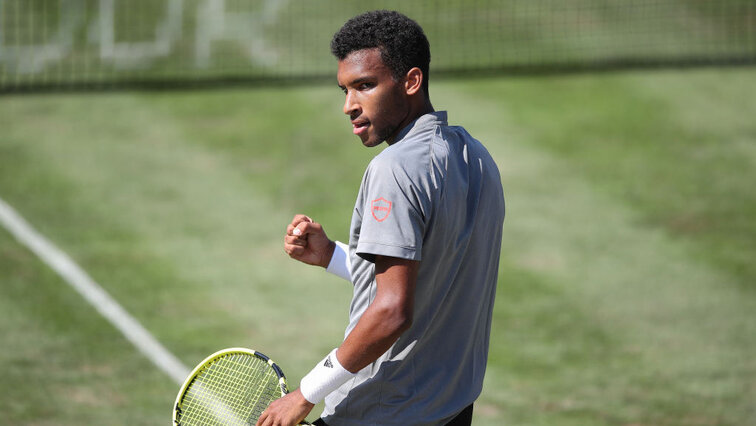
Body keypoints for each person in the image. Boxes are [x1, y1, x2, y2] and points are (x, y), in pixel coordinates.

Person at [257, 10, 505, 426]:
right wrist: (333, 256)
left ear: (410, 81)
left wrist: (306, 393)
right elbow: (432, 276)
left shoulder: (395, 168)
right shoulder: (477, 157)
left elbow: (392, 310)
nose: (349, 106)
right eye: (345, 90)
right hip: (452, 410)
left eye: (365, 86)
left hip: (382, 412)